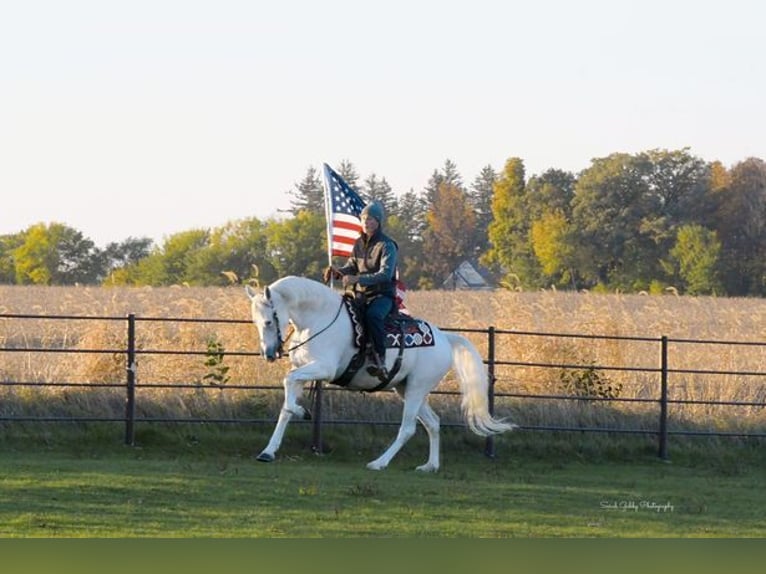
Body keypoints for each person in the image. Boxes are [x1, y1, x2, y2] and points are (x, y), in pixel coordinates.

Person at [324, 201, 398, 380]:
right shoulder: (358, 243)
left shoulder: (387, 245)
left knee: (373, 316)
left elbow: (385, 274)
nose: (366, 222)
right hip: (360, 295)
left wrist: (358, 279)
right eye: (364, 219)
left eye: (370, 219)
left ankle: (380, 360)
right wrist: (338, 272)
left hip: (382, 296)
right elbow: (352, 265)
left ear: (378, 222)